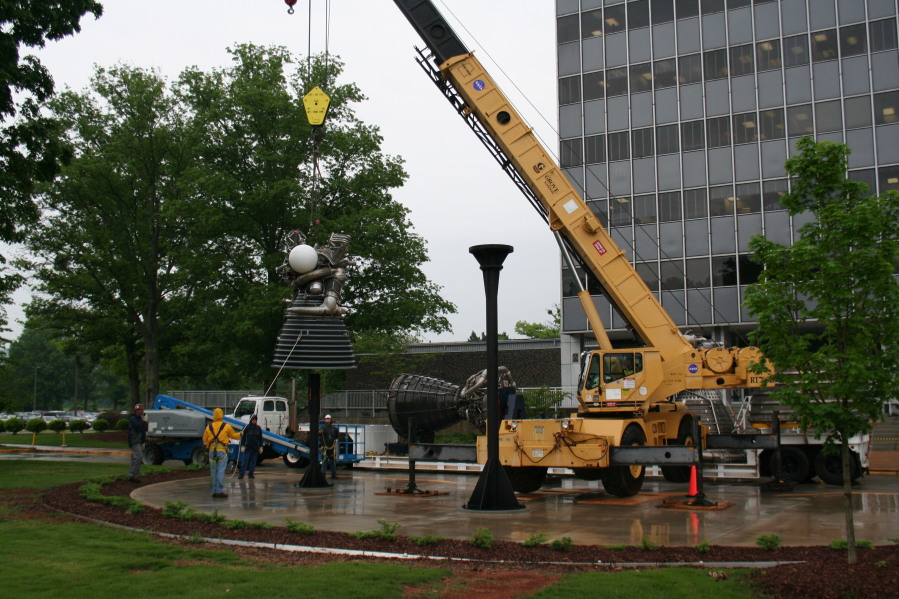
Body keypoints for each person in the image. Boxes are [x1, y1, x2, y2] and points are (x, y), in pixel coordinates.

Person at [202, 408, 241, 498]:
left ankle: (214, 491)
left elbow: (204, 440)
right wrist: (241, 434)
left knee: (213, 472)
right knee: (220, 471)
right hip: (222, 451)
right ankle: (219, 491)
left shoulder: (209, 427)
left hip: (212, 452)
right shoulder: (226, 426)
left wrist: (209, 445)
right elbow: (235, 436)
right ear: (222, 415)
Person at [238, 414, 263, 480]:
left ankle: (251, 474)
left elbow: (260, 438)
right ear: (251, 420)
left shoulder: (258, 428)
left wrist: (261, 446)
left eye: (255, 420)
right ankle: (241, 474)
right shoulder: (246, 427)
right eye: (253, 420)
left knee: (253, 462)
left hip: (255, 448)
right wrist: (242, 446)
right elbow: (242, 437)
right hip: (247, 448)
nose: (254, 421)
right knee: (245, 461)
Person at [127, 404, 148, 482]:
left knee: (135, 458)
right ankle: (132, 475)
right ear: (136, 411)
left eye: (142, 410)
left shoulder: (140, 419)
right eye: (140, 410)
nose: (141, 411)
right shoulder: (133, 419)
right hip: (134, 440)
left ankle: (133, 475)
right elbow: (137, 427)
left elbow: (144, 429)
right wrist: (144, 421)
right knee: (138, 457)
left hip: (140, 441)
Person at [320, 414, 339, 480]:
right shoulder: (322, 428)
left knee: (333, 462)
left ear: (331, 420)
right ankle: (322, 476)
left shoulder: (334, 429)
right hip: (325, 447)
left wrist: (335, 442)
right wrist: (322, 446)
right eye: (326, 419)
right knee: (324, 462)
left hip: (332, 448)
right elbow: (320, 437)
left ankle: (333, 475)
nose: (328, 420)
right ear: (325, 420)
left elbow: (336, 437)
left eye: (329, 419)